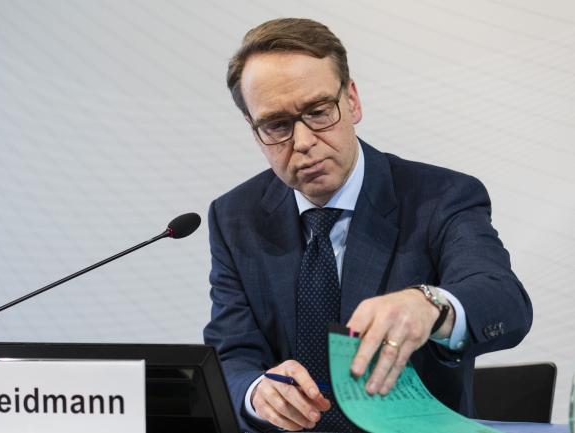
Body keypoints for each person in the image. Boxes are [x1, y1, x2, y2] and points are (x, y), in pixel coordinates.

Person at [203, 18, 532, 433]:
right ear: (255, 132)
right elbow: (230, 353)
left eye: (319, 112)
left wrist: (430, 304)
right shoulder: (235, 217)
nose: (302, 141)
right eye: (277, 126)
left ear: (353, 101)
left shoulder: (440, 197)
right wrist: (255, 392)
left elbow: (504, 300)